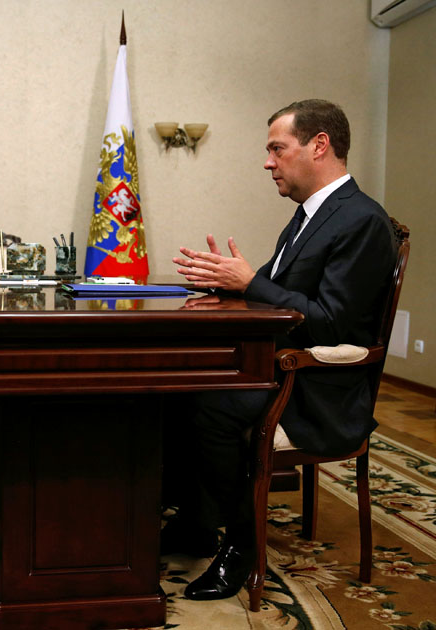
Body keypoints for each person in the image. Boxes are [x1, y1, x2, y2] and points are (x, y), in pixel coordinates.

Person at [168, 99, 397, 601]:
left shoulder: (361, 219)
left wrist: (250, 281)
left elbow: (331, 322)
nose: (267, 162)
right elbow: (273, 293)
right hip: (280, 369)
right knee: (177, 388)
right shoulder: (308, 216)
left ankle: (242, 545)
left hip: (319, 387)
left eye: (277, 148)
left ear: (319, 146)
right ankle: (197, 523)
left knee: (209, 407)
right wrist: (227, 282)